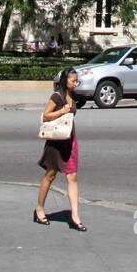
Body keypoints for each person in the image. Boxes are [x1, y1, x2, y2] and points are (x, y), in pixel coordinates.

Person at [35, 67, 86, 231]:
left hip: (70, 139)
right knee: (50, 175)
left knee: (72, 176)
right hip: (56, 141)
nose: (75, 83)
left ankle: (75, 216)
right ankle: (40, 209)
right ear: (65, 81)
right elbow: (45, 115)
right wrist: (62, 111)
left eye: (76, 80)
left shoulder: (73, 96)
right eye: (73, 80)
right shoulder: (57, 96)